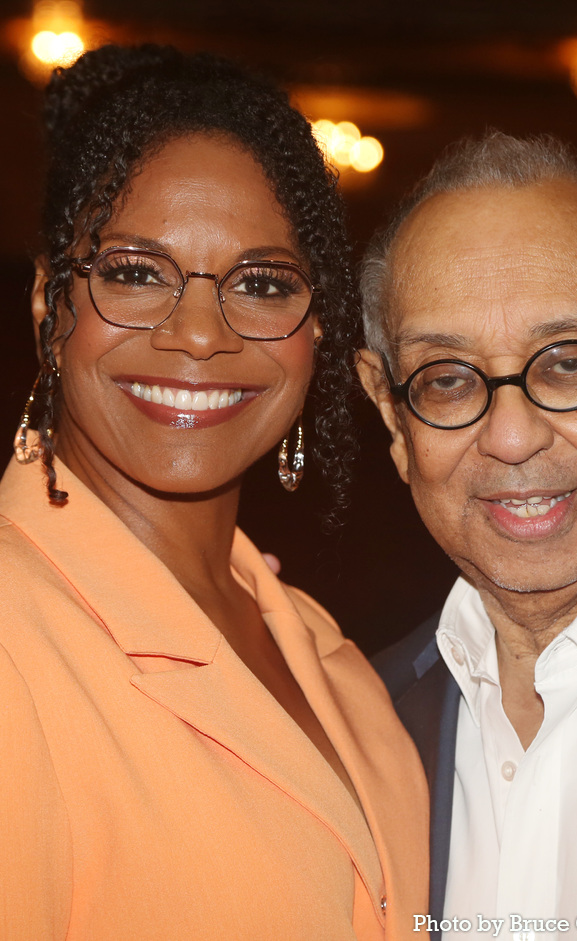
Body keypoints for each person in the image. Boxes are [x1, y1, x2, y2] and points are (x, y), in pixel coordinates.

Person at [0, 45, 428, 940]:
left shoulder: (325, 649)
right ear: (50, 299)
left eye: (262, 283)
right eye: (135, 272)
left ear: (317, 331)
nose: (198, 334)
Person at [357, 132, 577, 941]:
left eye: (566, 363)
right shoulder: (355, 726)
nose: (511, 437)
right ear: (391, 415)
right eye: (446, 378)